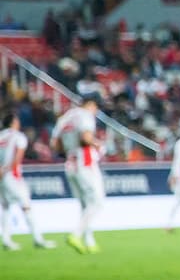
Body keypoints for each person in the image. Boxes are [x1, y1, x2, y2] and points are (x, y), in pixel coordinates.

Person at [51, 97, 106, 253]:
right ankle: (76, 235)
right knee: (97, 202)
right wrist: (98, 145)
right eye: (95, 108)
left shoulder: (65, 117)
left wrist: (70, 150)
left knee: (85, 205)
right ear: (90, 105)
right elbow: (86, 138)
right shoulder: (85, 115)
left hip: (70, 164)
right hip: (86, 163)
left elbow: (54, 144)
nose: (95, 112)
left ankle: (89, 242)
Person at [0, 114, 54, 250]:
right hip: (12, 176)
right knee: (26, 206)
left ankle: (6, 240)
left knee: (6, 207)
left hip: (1, 177)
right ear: (13, 122)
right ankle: (38, 239)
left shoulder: (1, 137)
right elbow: (17, 158)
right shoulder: (19, 137)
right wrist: (7, 169)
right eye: (17, 120)